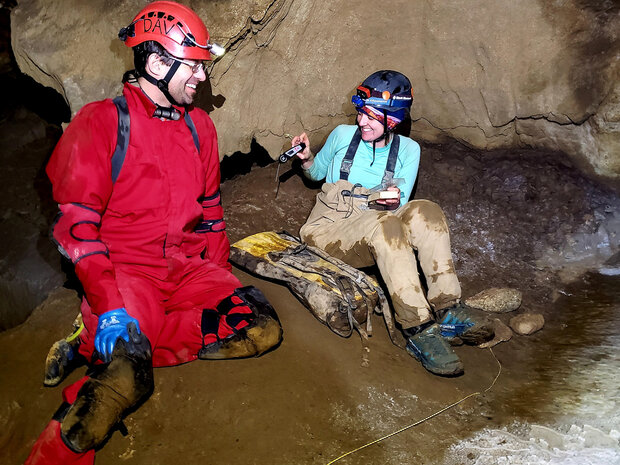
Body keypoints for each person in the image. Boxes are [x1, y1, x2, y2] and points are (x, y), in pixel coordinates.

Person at [25, 2, 282, 464]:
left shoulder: (200, 127)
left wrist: (217, 278)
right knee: (126, 379)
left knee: (260, 326)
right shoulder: (101, 123)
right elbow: (78, 231)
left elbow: (211, 215)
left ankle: (102, 346)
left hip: (184, 268)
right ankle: (60, 441)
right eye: (194, 66)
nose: (202, 78)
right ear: (157, 63)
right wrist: (108, 304)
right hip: (126, 272)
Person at [291, 70, 492, 377]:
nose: (361, 122)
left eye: (371, 117)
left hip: (376, 221)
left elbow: (399, 203)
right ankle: (418, 328)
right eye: (361, 113)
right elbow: (317, 173)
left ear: (394, 120)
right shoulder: (343, 136)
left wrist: (391, 201)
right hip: (328, 229)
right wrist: (306, 159)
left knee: (427, 211)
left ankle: (448, 308)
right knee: (384, 225)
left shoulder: (409, 151)